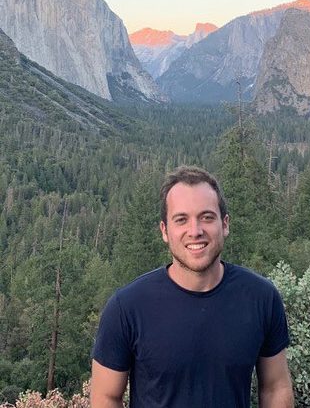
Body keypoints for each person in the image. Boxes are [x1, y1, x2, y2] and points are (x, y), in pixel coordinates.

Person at [91, 166, 294, 408]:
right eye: (181, 220)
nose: (195, 231)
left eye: (207, 217)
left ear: (225, 224)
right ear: (165, 231)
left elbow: (275, 387)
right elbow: (106, 397)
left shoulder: (261, 298)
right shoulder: (127, 308)